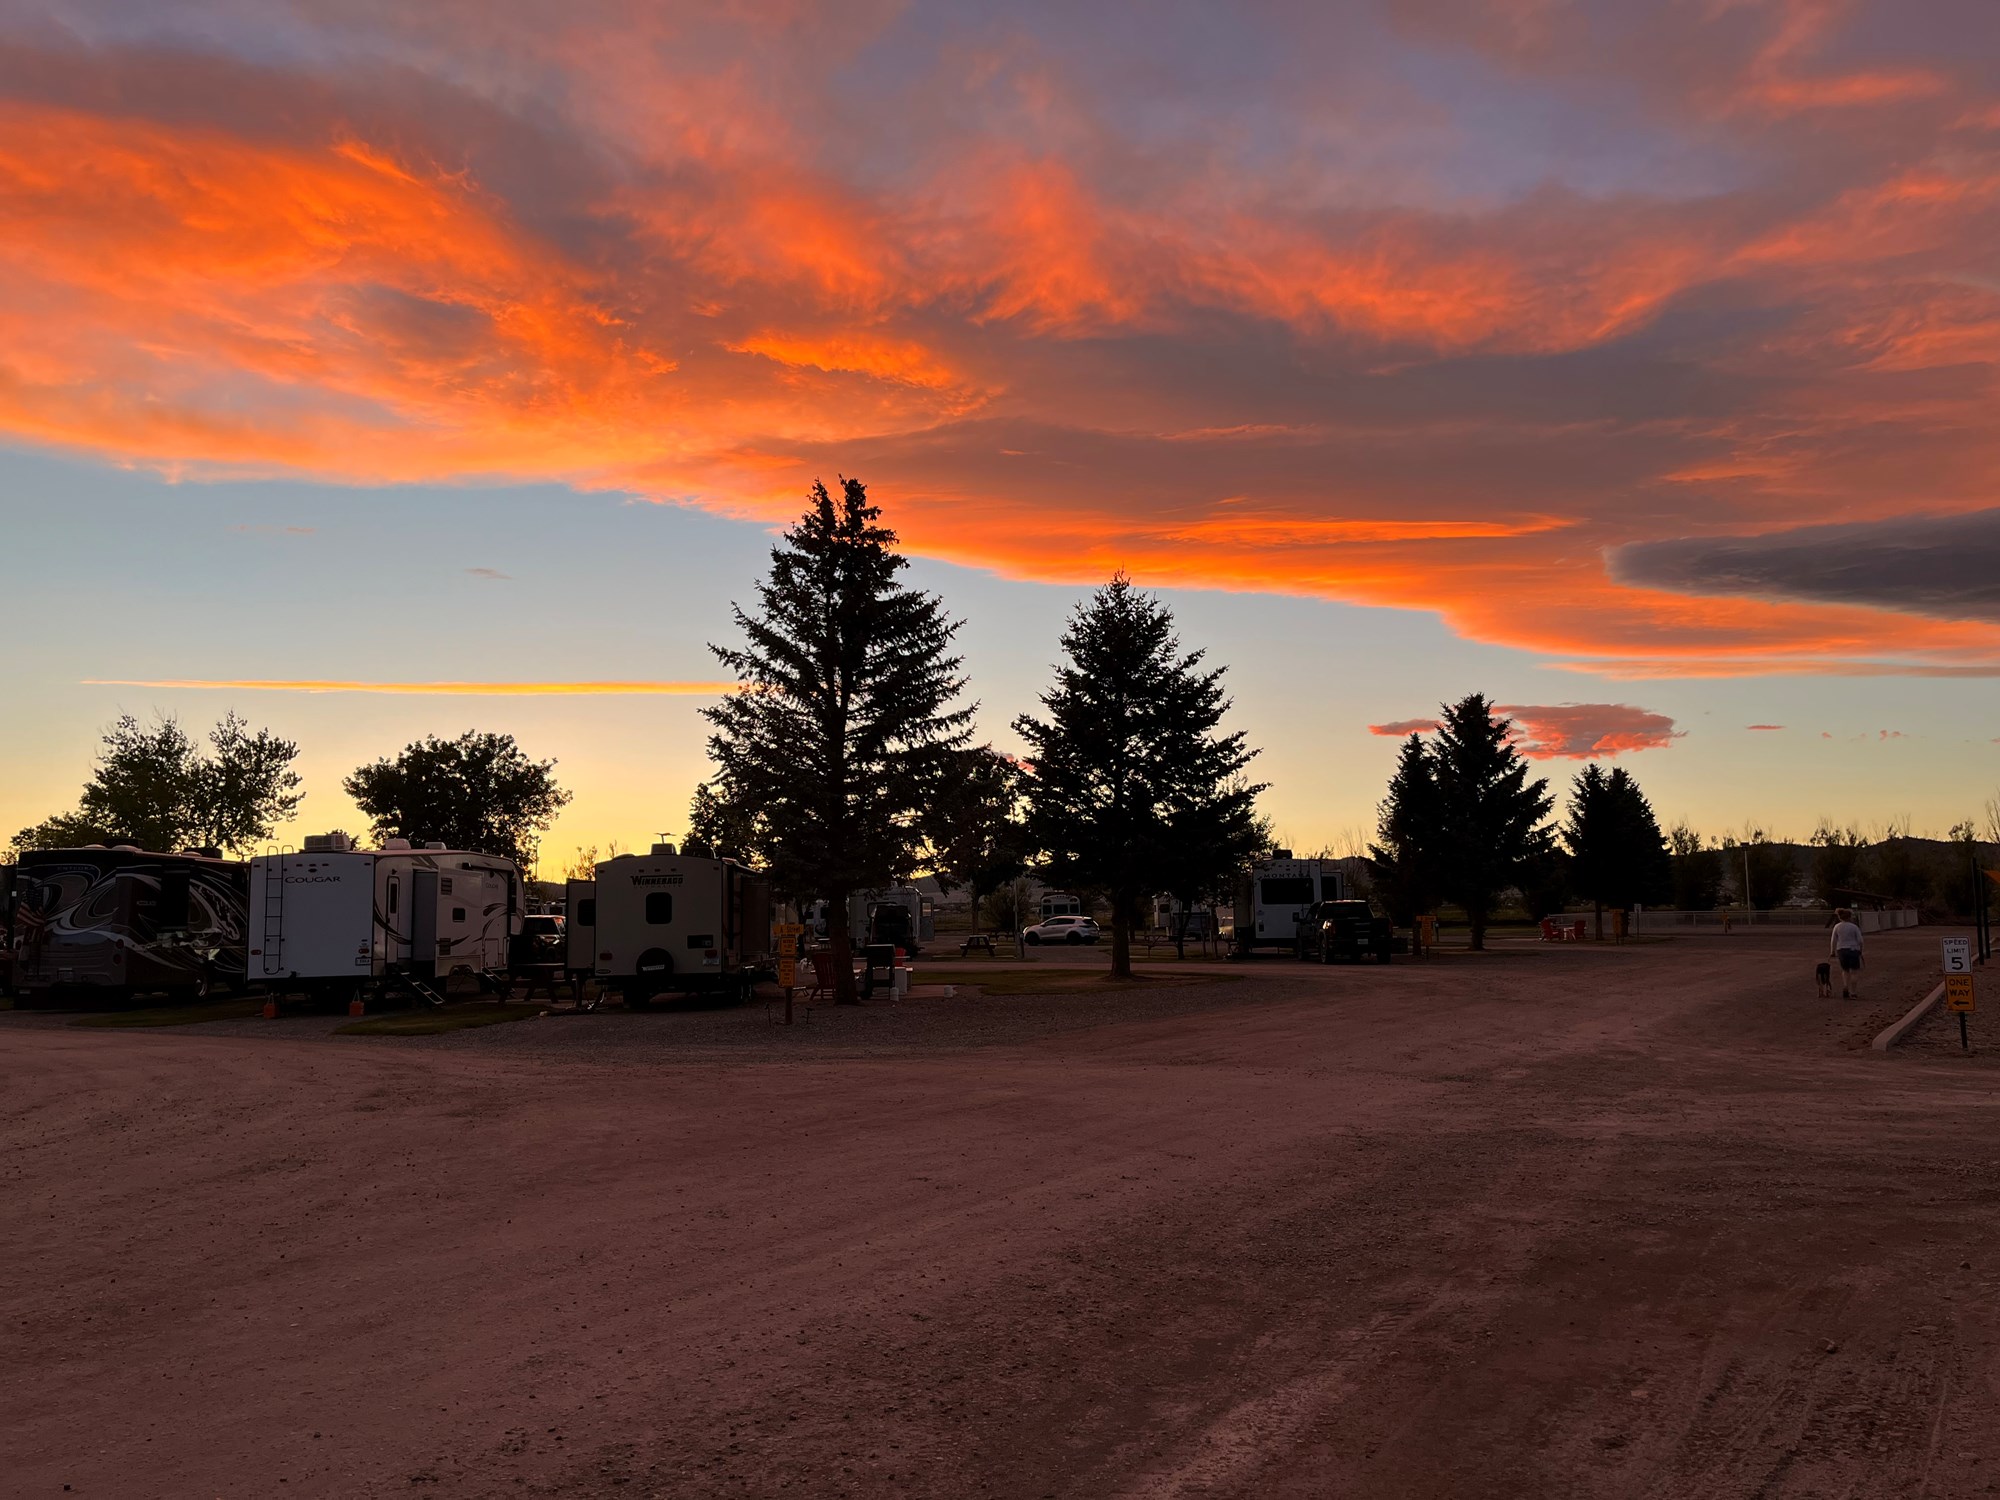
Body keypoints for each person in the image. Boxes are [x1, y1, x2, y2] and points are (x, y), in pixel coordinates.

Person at [1829, 907, 1864, 999]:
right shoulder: (1854, 927)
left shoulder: (1837, 926)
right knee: (1854, 972)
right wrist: (1861, 950)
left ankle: (1845, 986)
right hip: (1853, 950)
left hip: (1841, 950)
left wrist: (1832, 951)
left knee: (1845, 970)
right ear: (1850, 917)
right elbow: (1860, 940)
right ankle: (1853, 992)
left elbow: (1833, 940)